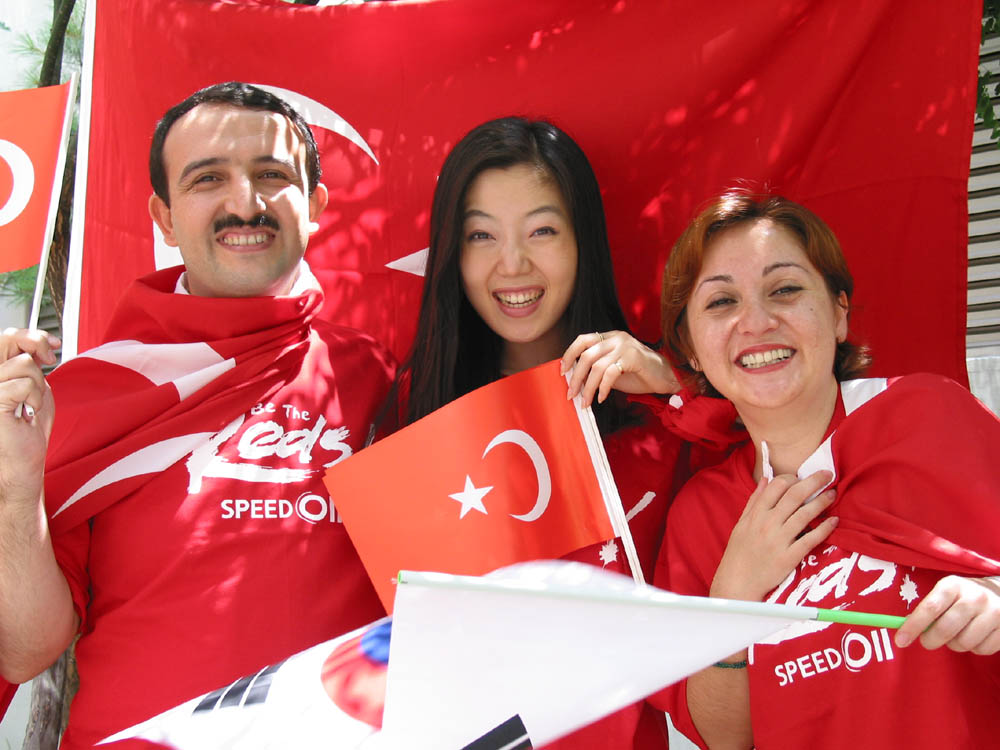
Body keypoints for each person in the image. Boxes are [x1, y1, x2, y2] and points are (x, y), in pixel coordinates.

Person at [0, 82, 394, 749]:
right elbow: (28, 651)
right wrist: (13, 493)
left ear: (316, 205)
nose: (244, 202)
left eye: (272, 175)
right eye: (209, 178)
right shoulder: (87, 392)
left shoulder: (383, 380)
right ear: (164, 215)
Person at [650, 191, 1000, 749]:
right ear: (691, 349)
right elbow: (724, 737)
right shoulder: (702, 514)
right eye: (721, 303)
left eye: (784, 289)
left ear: (839, 312)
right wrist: (733, 598)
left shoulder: (932, 417)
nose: (756, 321)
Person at [387, 116, 683, 748]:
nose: (512, 264)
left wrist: (669, 381)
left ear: (585, 242)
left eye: (543, 230)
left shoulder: (659, 407)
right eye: (480, 236)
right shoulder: (412, 412)